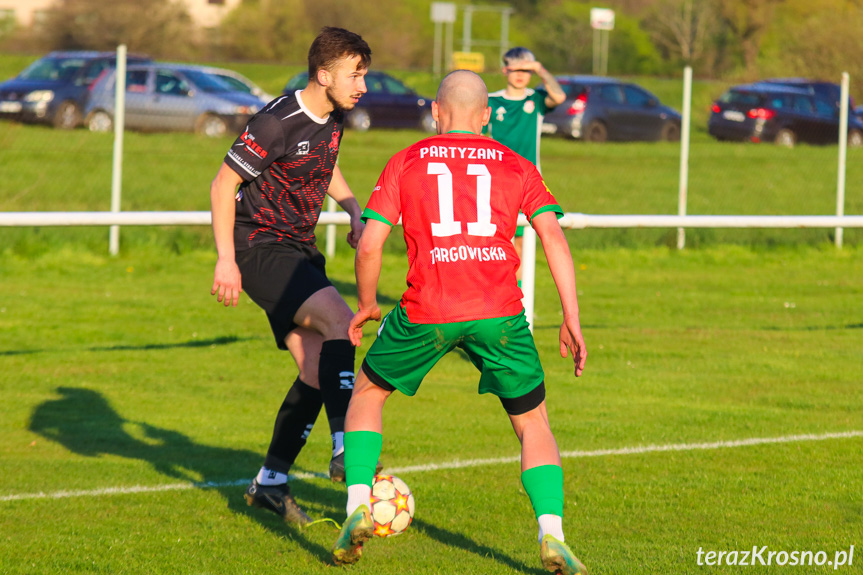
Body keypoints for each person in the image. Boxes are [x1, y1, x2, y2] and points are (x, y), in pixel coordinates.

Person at [331, 70, 589, 575]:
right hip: (499, 313)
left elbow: (370, 243)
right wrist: (571, 318)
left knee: (366, 393)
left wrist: (365, 304)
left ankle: (357, 502)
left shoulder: (406, 160)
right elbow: (555, 240)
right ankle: (552, 534)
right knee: (532, 422)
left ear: (435, 111)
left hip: (427, 310)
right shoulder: (516, 164)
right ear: (488, 116)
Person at [209, 26, 379, 525]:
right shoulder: (275, 122)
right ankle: (346, 445)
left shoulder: (333, 118)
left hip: (298, 249)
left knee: (313, 368)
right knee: (342, 321)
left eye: (364, 74)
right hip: (257, 246)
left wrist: (351, 208)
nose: (362, 86)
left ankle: (271, 481)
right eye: (356, 75)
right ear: (324, 75)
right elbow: (223, 186)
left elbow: (327, 165)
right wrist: (225, 259)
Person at [485, 47, 566, 283]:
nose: (520, 75)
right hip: (498, 185)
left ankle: (520, 301)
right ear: (505, 70)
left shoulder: (536, 99)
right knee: (502, 245)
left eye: (526, 70)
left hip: (528, 184)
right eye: (515, 69)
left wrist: (540, 69)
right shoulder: (492, 101)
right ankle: (506, 300)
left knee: (524, 245)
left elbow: (559, 97)